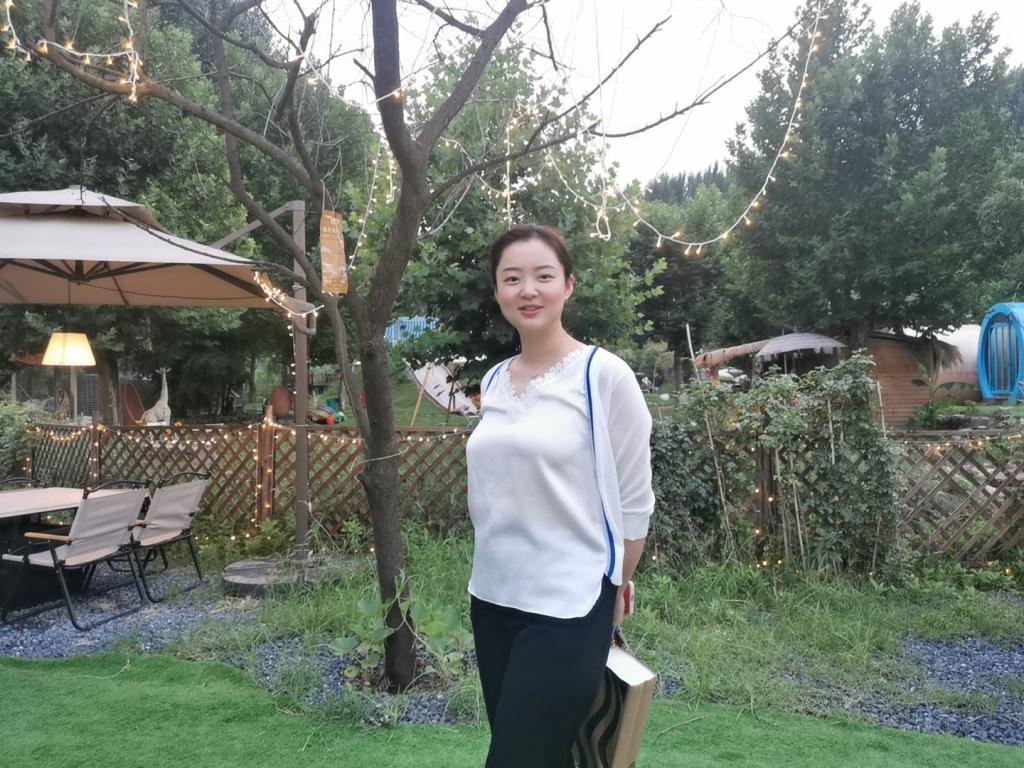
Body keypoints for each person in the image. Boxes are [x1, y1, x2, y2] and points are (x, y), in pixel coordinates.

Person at [466, 224, 654, 767]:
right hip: (492, 598)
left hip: (568, 606)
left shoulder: (604, 375)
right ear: (497, 290)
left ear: (568, 285)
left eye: (543, 276)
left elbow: (635, 505)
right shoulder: (495, 379)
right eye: (512, 278)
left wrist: (610, 594)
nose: (528, 290)